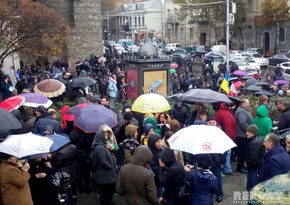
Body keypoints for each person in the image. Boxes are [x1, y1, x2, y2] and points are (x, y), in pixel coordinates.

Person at [91, 129, 118, 205]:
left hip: (104, 171)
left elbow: (117, 147)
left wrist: (113, 146)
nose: (106, 136)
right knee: (108, 191)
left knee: (105, 192)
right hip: (105, 173)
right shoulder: (100, 147)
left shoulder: (107, 140)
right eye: (105, 134)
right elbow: (102, 161)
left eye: (108, 134)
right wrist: (110, 167)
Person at [215, 102, 236, 175]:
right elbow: (228, 127)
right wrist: (231, 137)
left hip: (223, 134)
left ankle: (225, 168)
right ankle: (227, 169)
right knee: (227, 152)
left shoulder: (221, 111)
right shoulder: (226, 113)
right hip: (226, 136)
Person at [235, 99, 253, 173]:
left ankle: (241, 166)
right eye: (247, 104)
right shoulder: (242, 112)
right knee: (242, 152)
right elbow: (243, 123)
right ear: (242, 104)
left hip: (242, 134)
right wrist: (249, 131)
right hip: (242, 135)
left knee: (242, 152)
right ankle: (240, 167)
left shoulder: (242, 110)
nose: (248, 105)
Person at [245, 125, 265, 191]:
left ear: (253, 132)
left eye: (248, 132)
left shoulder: (254, 143)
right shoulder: (259, 138)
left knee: (251, 187)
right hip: (258, 166)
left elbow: (252, 158)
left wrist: (248, 165)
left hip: (253, 168)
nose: (246, 133)